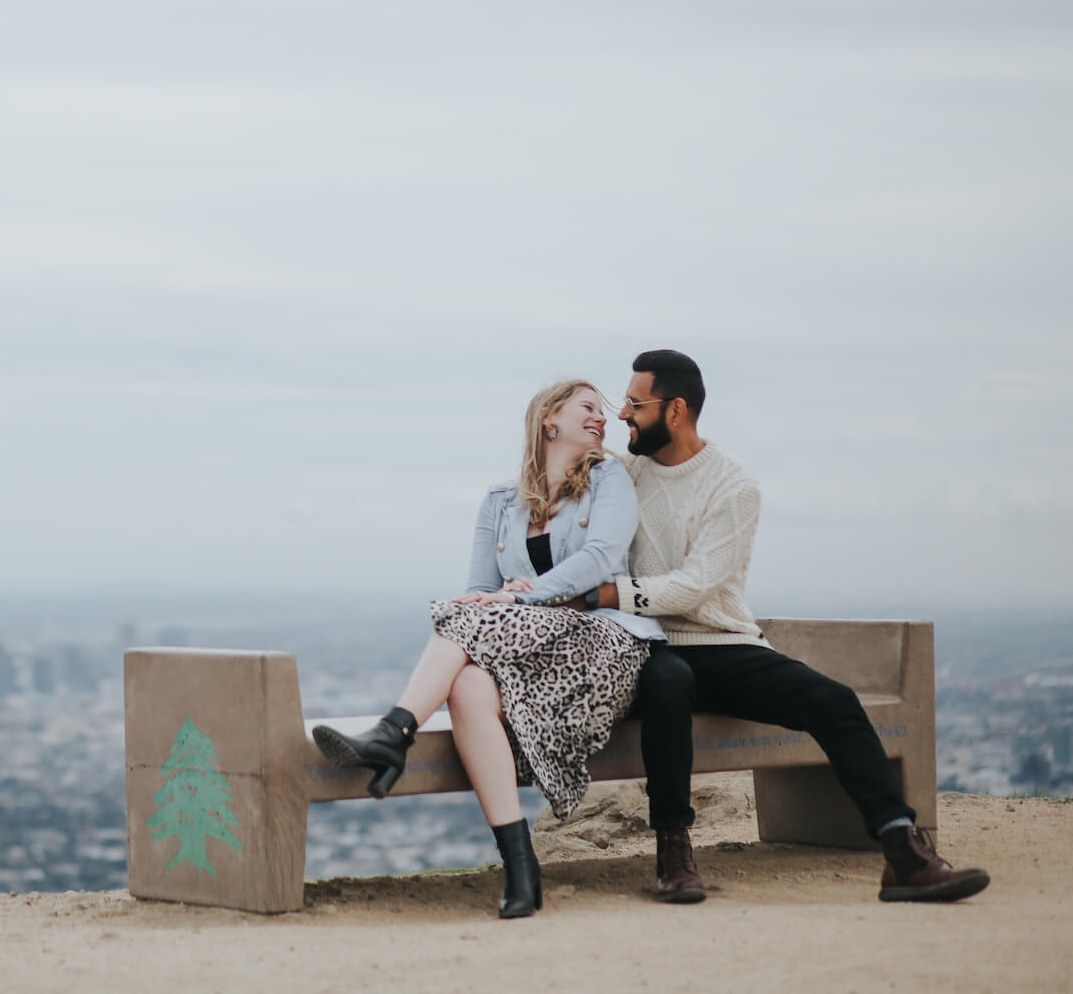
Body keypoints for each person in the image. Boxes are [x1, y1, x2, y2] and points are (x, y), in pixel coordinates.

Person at [597, 348, 990, 905]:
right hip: (649, 646)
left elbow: (697, 585)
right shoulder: (622, 474)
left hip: (722, 642)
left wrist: (614, 593)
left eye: (634, 404)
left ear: (676, 410)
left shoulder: (734, 485)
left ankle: (903, 852)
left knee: (831, 700)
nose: (622, 415)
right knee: (669, 683)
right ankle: (674, 854)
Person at [311, 379, 665, 919]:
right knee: (468, 684)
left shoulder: (609, 478)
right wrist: (498, 601)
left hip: (601, 642)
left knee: (458, 621)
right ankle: (520, 867)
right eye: (588, 408)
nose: (603, 419)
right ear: (549, 419)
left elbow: (599, 557)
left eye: (603, 411)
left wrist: (523, 599)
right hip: (527, 644)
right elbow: (479, 589)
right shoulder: (501, 500)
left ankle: (393, 733)